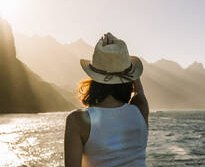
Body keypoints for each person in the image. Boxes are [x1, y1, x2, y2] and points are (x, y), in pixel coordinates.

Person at [64, 32, 149, 167]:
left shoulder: (77, 121)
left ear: (94, 79)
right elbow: (139, 90)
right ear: (129, 78)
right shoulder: (140, 110)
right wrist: (121, 59)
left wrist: (111, 59)